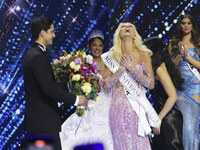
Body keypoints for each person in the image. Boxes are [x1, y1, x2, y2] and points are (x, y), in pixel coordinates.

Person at [22, 17, 88, 150]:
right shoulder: (37, 57)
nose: (54, 35)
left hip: (41, 123)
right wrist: (76, 99)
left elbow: (44, 84)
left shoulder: (34, 54)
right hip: (43, 124)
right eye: (51, 31)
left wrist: (63, 72)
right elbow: (49, 88)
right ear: (42, 33)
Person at [101, 22, 161, 150]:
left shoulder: (144, 54)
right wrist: (120, 70)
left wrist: (133, 69)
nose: (126, 28)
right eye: (123, 26)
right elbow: (105, 85)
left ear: (135, 34)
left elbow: (151, 84)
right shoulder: (110, 56)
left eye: (130, 27)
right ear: (118, 34)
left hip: (137, 108)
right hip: (118, 108)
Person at [60, 30, 113, 150]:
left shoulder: (108, 64)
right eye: (94, 45)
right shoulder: (82, 62)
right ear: (88, 47)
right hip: (87, 102)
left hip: (105, 103)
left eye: (100, 45)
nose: (97, 48)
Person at [143, 37, 184, 150]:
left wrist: (159, 118)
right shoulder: (155, 68)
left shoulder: (160, 69)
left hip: (168, 118)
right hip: (162, 116)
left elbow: (173, 96)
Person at [169, 14, 200, 150]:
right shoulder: (173, 43)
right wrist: (180, 55)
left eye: (188, 23)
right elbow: (170, 68)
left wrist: (187, 57)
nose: (186, 25)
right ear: (180, 25)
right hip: (179, 88)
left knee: (190, 122)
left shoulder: (198, 42)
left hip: (195, 87)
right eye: (183, 23)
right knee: (181, 124)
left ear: (192, 25)